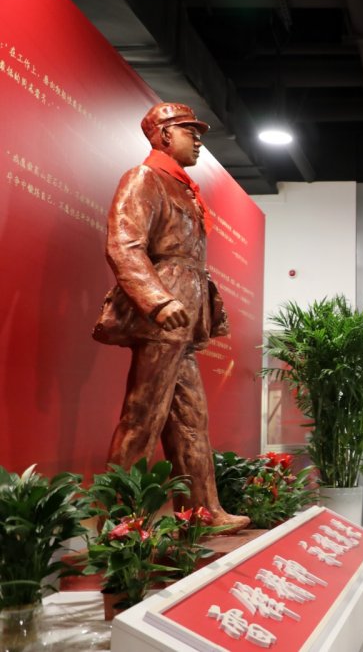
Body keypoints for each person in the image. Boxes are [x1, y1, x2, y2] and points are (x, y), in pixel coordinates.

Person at [93, 102, 249, 532]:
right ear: (164, 135)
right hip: (163, 317)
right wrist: (158, 301)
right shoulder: (144, 179)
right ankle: (120, 520)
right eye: (188, 131)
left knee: (190, 420)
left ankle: (202, 512)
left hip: (184, 319)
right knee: (143, 415)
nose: (198, 140)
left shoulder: (182, 188)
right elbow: (123, 245)